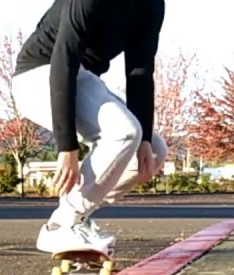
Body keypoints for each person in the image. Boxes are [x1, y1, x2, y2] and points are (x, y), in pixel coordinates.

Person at [12, 0, 168, 256]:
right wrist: (67, 147)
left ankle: (76, 217)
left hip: (85, 77)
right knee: (124, 131)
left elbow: (140, 71)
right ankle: (60, 225)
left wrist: (146, 141)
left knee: (154, 151)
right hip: (40, 73)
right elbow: (64, 59)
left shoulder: (151, 5)